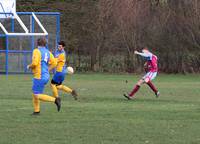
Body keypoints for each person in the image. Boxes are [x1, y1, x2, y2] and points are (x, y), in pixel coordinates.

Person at [27, 37, 61, 115]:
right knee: (36, 93)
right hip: (46, 75)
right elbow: (55, 63)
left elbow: (35, 63)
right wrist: (48, 69)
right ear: (45, 44)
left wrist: (29, 66)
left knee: (37, 94)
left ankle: (55, 100)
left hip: (39, 76)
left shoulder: (36, 51)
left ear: (37, 43)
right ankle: (36, 111)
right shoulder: (48, 52)